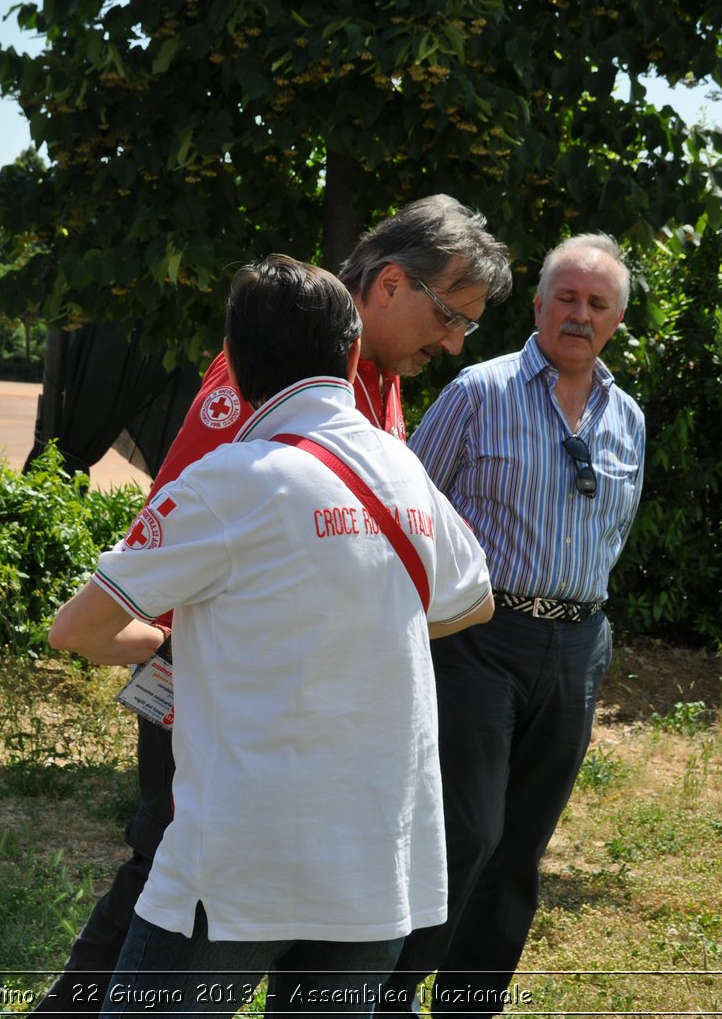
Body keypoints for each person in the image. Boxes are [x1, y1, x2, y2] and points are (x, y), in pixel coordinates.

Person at [35, 196, 512, 1014]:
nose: (457, 341)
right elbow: (183, 517)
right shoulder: (265, 385)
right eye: (450, 315)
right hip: (215, 687)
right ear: (388, 287)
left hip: (313, 723)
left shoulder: (378, 387)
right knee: (166, 868)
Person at [384, 233, 646, 1015]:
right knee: (465, 833)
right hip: (479, 639)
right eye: (566, 296)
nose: (579, 313)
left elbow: (613, 535)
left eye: (597, 303)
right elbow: (410, 507)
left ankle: (469, 1007)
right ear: (536, 306)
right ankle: (387, 998)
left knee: (521, 851)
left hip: (575, 650)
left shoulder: (628, 419)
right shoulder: (477, 392)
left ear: (616, 321)